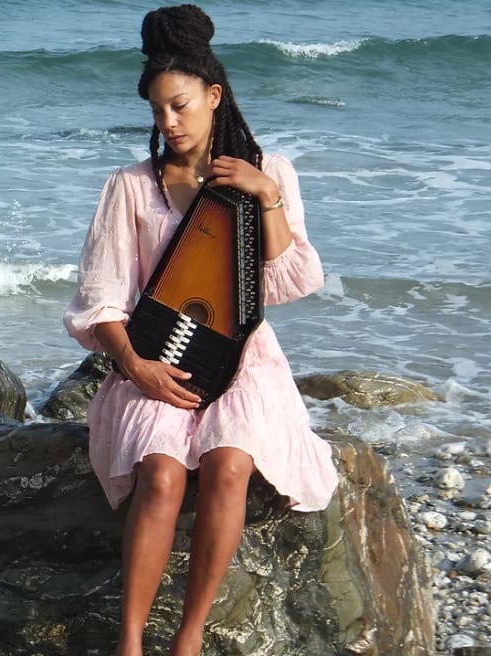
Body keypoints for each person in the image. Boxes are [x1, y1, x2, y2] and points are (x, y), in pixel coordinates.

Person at [63, 5, 339, 656]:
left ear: (214, 96)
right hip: (149, 358)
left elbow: (291, 280)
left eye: (181, 106)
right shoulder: (130, 187)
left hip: (242, 357)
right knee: (160, 475)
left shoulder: (268, 171)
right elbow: (99, 300)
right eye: (158, 110)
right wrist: (136, 368)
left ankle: (188, 640)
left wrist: (264, 194)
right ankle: (129, 644)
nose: (169, 123)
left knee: (228, 464)